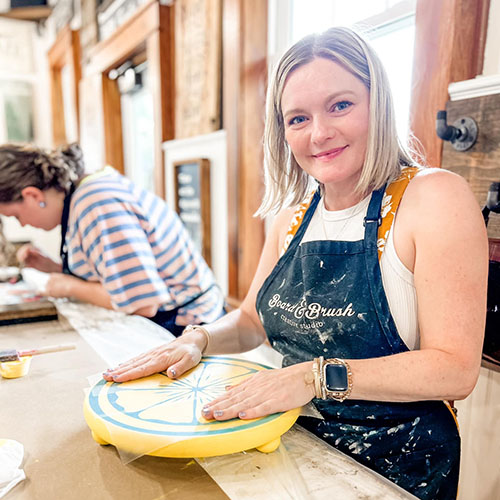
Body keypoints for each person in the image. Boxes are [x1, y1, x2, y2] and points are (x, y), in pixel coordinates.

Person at [103, 27, 488, 499]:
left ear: (378, 104)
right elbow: (250, 322)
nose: (319, 133)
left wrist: (313, 376)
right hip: (294, 449)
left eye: (341, 105)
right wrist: (198, 339)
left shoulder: (432, 198)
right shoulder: (293, 216)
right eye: (298, 118)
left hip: (396, 469)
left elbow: (455, 369)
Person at [0, 143, 224, 335]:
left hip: (189, 327)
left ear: (32, 195)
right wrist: (57, 269)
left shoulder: (96, 202)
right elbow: (117, 276)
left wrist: (69, 286)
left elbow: (143, 303)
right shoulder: (83, 194)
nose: (22, 224)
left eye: (16, 215)